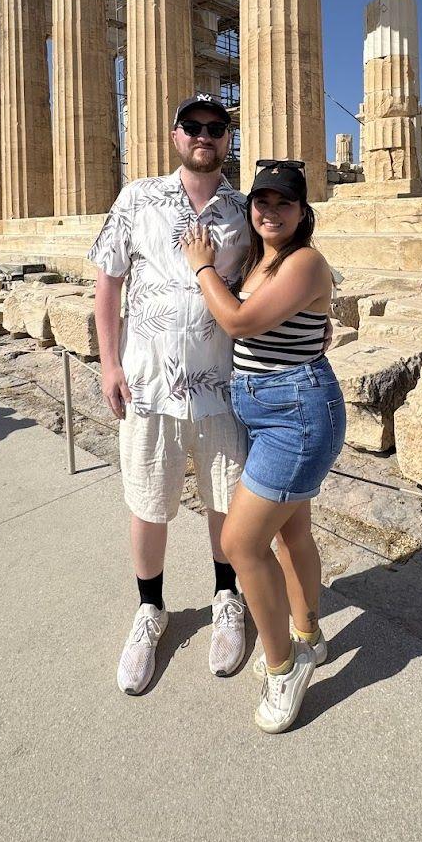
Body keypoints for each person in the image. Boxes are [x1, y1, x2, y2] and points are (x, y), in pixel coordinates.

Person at [88, 95, 252, 696]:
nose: (204, 136)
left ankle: (227, 598)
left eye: (216, 128)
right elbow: (108, 282)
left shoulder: (244, 208)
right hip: (148, 384)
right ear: (175, 135)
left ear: (227, 138)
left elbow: (268, 279)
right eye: (194, 128)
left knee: (224, 501)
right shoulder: (137, 197)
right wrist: (108, 363)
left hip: (222, 385)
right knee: (147, 499)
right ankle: (150, 610)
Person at [180, 160, 345, 734]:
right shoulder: (259, 260)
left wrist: (201, 267)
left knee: (240, 541)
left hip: (298, 412)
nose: (270, 212)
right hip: (263, 407)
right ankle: (308, 634)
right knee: (290, 532)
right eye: (262, 202)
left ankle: (283, 667)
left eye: (283, 203)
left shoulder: (305, 262)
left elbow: (241, 323)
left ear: (303, 213)